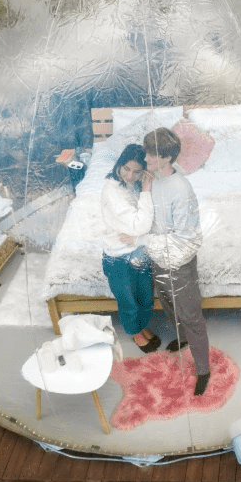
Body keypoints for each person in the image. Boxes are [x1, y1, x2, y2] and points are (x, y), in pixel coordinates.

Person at [142, 126, 211, 396]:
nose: (146, 158)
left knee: (190, 315)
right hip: (158, 257)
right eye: (147, 153)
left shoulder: (181, 189)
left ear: (167, 158)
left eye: (152, 155)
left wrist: (145, 242)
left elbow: (186, 238)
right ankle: (181, 339)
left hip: (178, 261)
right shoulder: (152, 178)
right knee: (169, 305)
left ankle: (203, 370)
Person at [100, 143, 160, 354]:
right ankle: (135, 331)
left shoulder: (135, 184)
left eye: (136, 171)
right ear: (119, 163)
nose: (129, 175)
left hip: (139, 251)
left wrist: (139, 238)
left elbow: (149, 222)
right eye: (126, 168)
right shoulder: (112, 191)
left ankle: (141, 325)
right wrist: (146, 190)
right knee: (129, 301)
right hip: (118, 258)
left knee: (145, 296)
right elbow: (140, 225)